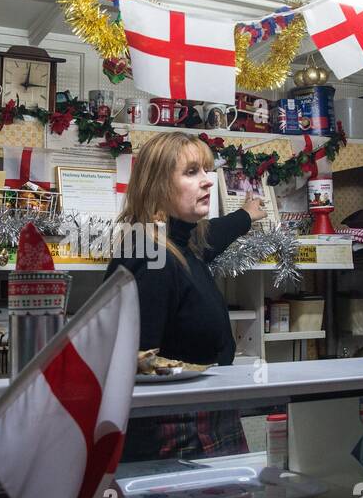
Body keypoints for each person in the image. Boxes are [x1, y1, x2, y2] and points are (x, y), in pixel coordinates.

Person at [105, 131, 267, 461]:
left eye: (207, 170)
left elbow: (212, 237)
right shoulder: (154, 257)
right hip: (175, 431)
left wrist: (246, 215)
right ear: (158, 186)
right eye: (192, 172)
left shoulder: (176, 245)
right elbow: (136, 363)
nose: (208, 181)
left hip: (199, 416)